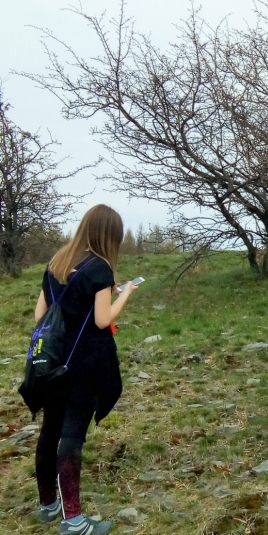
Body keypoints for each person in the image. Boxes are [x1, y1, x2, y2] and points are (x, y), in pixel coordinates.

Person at [32, 205, 138, 535]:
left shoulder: (57, 263)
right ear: (110, 235)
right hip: (84, 365)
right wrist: (126, 295)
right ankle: (74, 520)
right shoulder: (100, 268)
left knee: (50, 430)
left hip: (52, 362)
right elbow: (102, 320)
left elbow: (40, 314)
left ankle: (48, 505)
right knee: (72, 435)